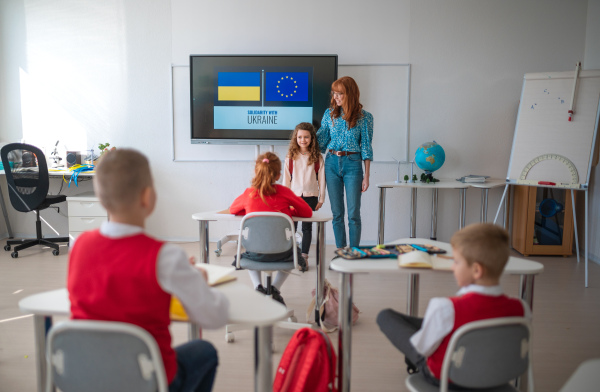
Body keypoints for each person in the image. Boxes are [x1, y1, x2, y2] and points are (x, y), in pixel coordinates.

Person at [68, 149, 229, 392]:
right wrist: (197, 279)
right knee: (205, 352)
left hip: (89, 378)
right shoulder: (164, 257)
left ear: (102, 199)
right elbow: (214, 317)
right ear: (148, 196)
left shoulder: (79, 245)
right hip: (149, 380)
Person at [376, 223, 531, 388]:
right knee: (437, 323)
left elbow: (422, 349)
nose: (452, 267)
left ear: (477, 270)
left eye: (456, 262)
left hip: (447, 379)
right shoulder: (521, 308)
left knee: (385, 316)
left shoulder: (445, 307)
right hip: (496, 378)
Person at [229, 151, 313, 306]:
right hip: (283, 254)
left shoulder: (249, 193)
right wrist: (288, 212)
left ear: (256, 171)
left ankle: (258, 287)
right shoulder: (285, 192)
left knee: (250, 250)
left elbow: (233, 209)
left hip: (255, 254)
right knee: (293, 250)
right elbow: (307, 212)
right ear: (278, 175)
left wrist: (249, 210)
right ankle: (274, 288)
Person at [316, 76, 373, 249]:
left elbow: (366, 147)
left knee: (353, 213)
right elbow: (321, 140)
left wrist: (367, 176)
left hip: (353, 164)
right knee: (337, 213)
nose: (336, 97)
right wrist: (303, 139)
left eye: (340, 93)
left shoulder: (365, 117)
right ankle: (341, 252)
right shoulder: (329, 114)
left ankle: (354, 252)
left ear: (350, 94)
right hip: (332, 162)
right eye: (334, 93)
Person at [283, 122, 326, 267]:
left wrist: (321, 198)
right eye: (300, 137)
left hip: (311, 197)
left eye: (306, 137)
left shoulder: (317, 157)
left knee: (307, 228)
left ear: (312, 138)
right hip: (293, 198)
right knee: (292, 227)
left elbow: (322, 179)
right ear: (296, 138)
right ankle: (293, 255)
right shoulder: (290, 157)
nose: (303, 140)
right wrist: (285, 199)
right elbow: (286, 180)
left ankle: (304, 257)